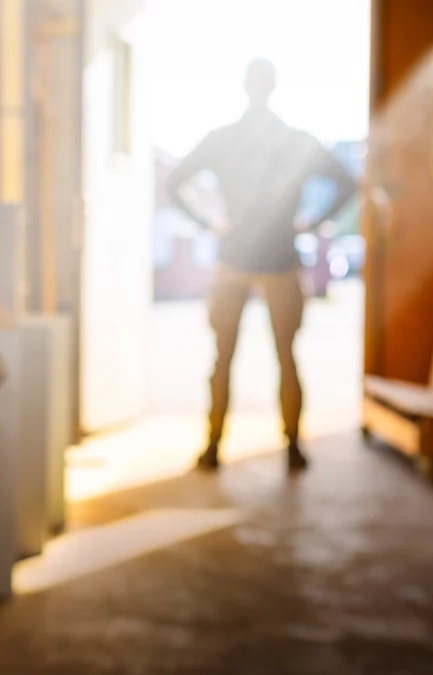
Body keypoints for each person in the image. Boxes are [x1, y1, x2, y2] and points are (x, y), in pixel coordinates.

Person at [166, 58, 357, 472]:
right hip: (271, 256)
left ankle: (215, 446)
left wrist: (209, 224)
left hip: (240, 256)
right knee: (283, 356)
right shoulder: (294, 140)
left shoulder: (225, 139)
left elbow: (173, 182)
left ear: (247, 87)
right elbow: (347, 182)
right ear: (271, 87)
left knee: (226, 357)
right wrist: (314, 223)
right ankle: (288, 446)